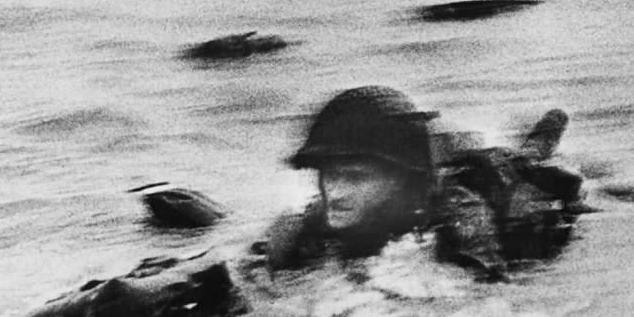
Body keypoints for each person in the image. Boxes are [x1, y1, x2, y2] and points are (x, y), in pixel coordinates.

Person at [251, 85, 589, 281]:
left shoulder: (459, 212)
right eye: (329, 174)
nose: (334, 192)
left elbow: (488, 297)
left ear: (402, 178)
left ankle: (543, 138)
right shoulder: (320, 215)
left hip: (505, 189)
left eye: (356, 177)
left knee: (527, 164)